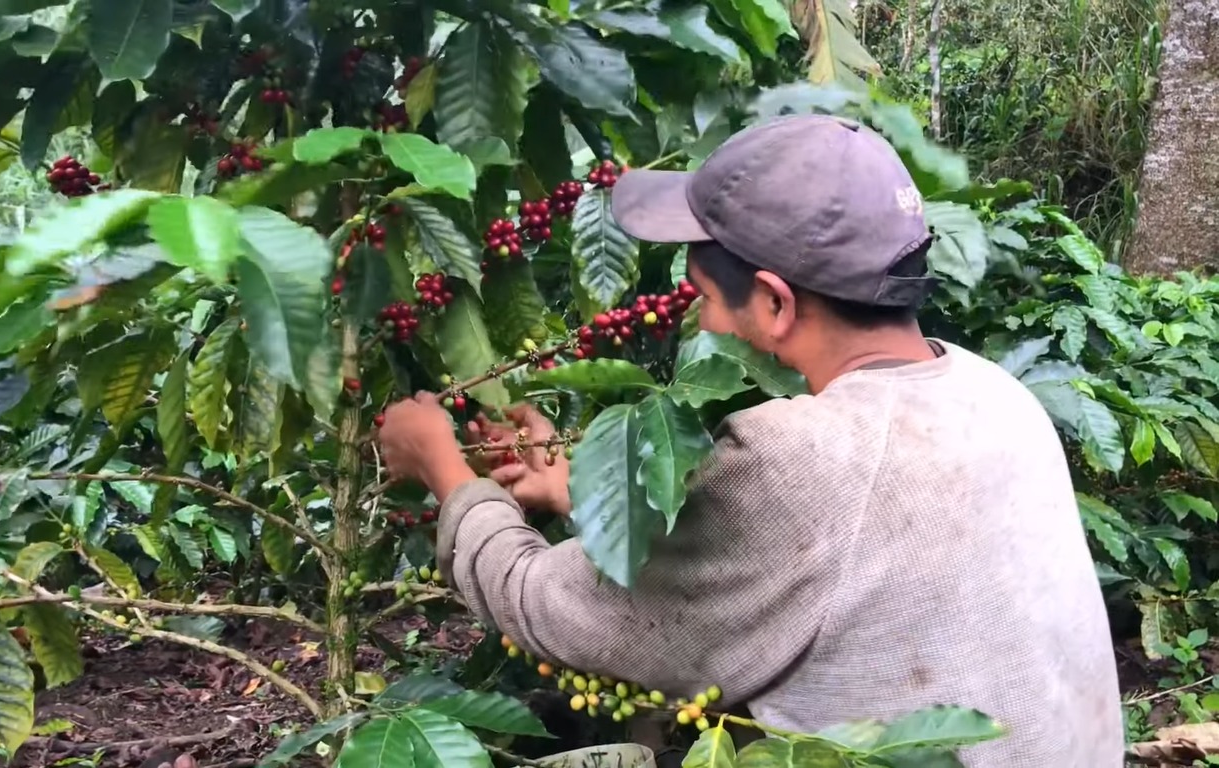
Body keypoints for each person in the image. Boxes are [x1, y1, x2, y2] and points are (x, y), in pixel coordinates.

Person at [377, 114, 1123, 767]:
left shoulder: (798, 457)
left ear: (773, 301)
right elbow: (833, 551)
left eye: (702, 297)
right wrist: (582, 492)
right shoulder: (993, 392)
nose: (700, 323)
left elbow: (543, 607)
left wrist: (446, 471)